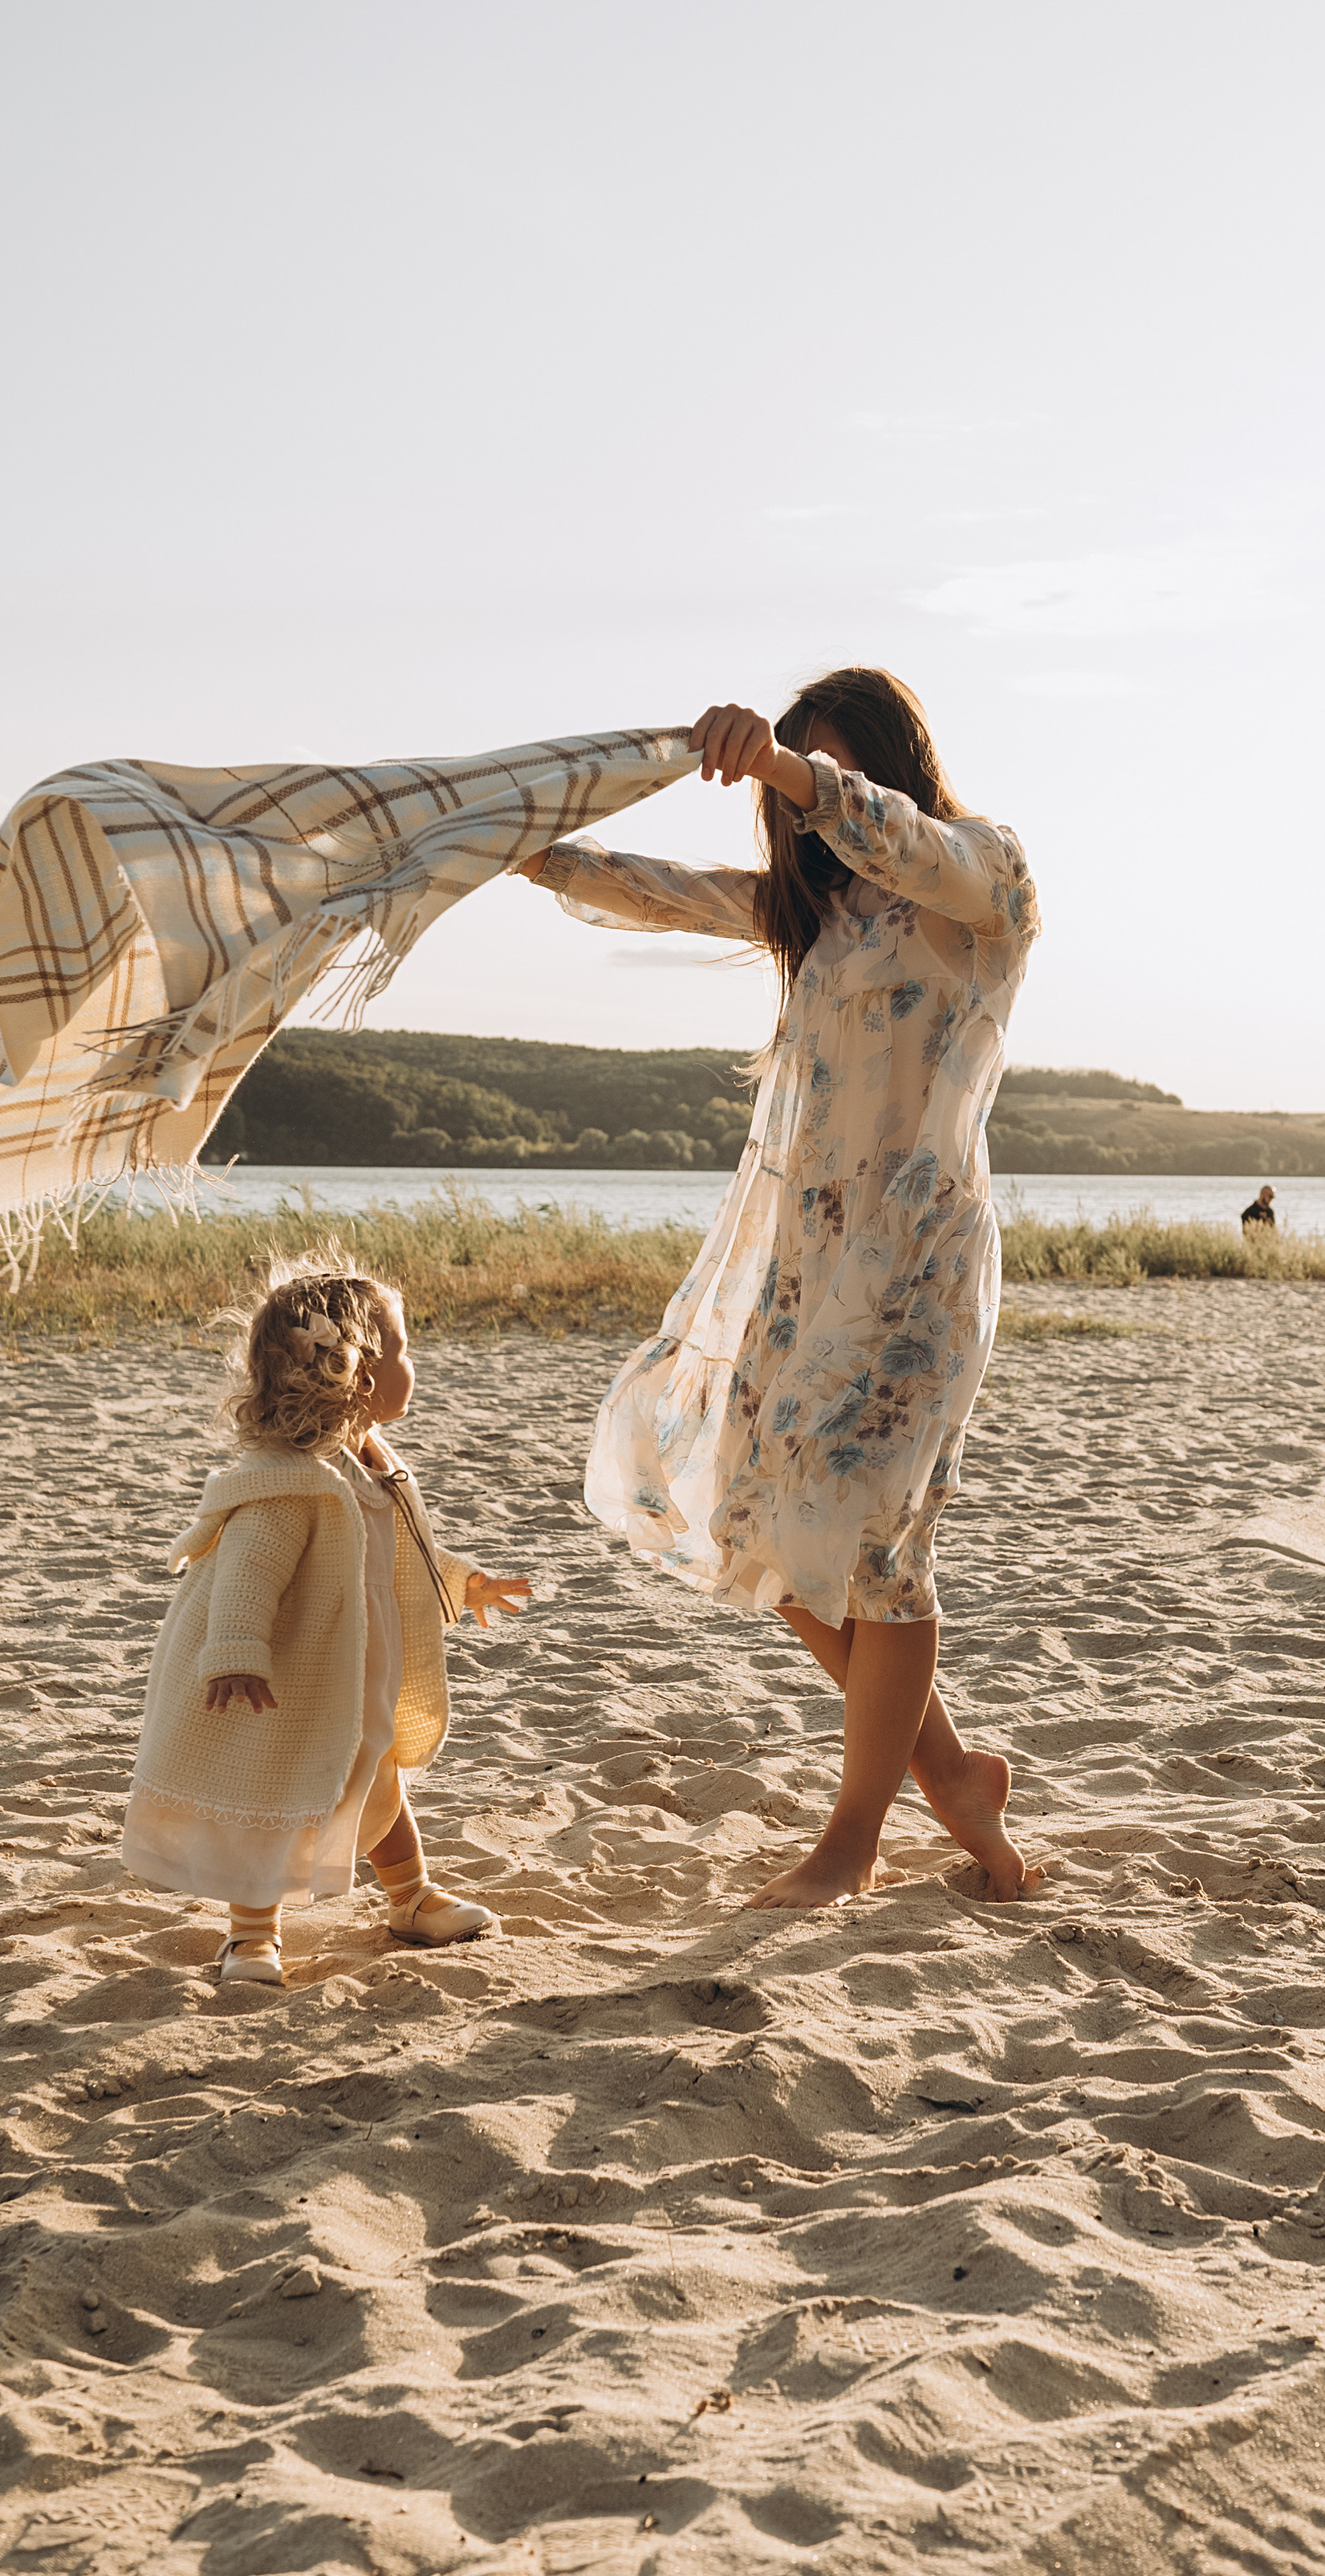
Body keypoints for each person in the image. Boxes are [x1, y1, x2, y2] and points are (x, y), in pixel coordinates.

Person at [517, 670, 1039, 1911]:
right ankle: (952, 1776)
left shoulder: (984, 876)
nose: (813, 810)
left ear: (895, 762)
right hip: (810, 1260)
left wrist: (785, 768)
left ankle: (853, 1841)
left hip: (919, 1260)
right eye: (800, 790)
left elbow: (897, 837)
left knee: (878, 1540)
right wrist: (522, 851)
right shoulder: (819, 909)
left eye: (836, 774)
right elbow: (660, 892)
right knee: (762, 1521)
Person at [122, 1256, 529, 1985]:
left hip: (357, 1660)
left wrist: (465, 1582)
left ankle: (410, 1897)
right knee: (275, 1791)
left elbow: (401, 1552)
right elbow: (248, 1569)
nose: (412, 1365)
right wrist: (236, 1649)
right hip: (293, 1670)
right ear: (357, 1372)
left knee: (378, 1776)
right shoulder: (293, 1479)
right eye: (401, 1350)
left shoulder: (373, 1463)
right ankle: (251, 1935)